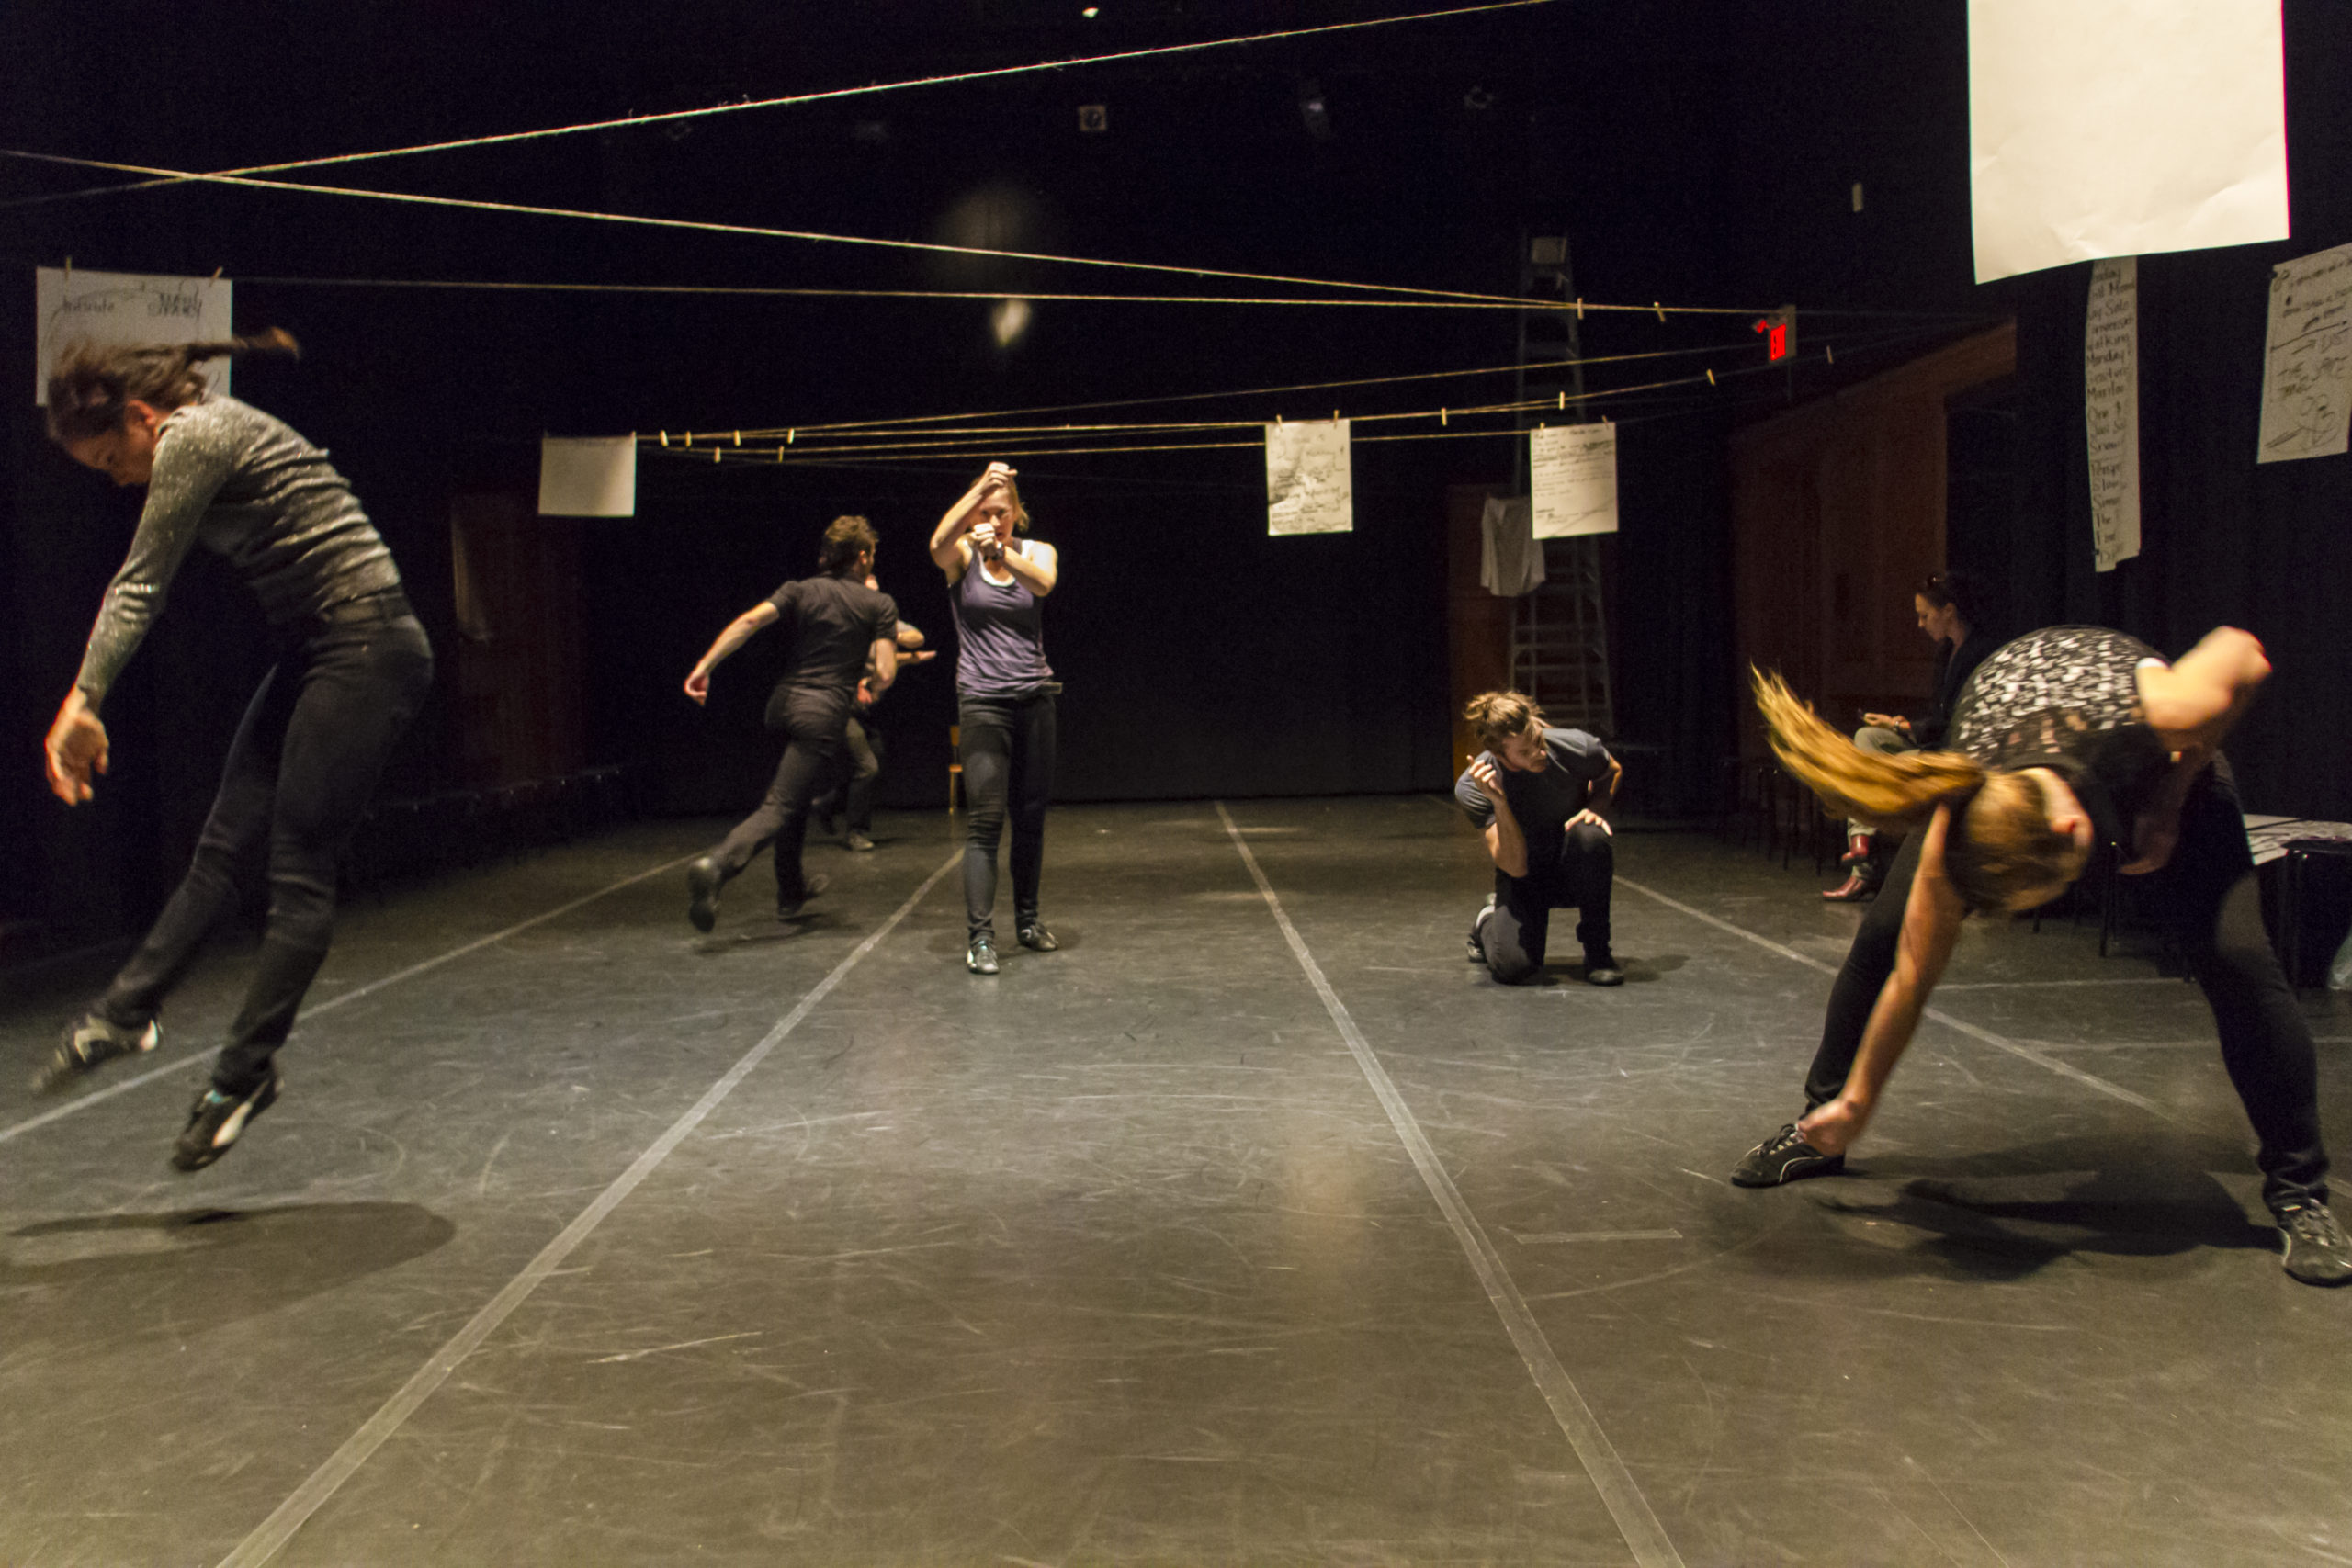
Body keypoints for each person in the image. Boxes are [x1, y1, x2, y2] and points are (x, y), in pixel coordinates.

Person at [1732, 626, 2350, 1287]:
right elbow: (1912, 978)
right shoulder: (1964, 807)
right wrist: (1856, 1101)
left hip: (2164, 760)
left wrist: (2172, 795)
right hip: (2019, 732)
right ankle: (1818, 1128)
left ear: (2072, 833)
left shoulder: (2163, 713)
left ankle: (2300, 1193)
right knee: (1883, 940)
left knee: (2238, 960)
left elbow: (2245, 650)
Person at [36, 331, 435, 1172]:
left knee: (297, 868)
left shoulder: (198, 435)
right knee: (220, 849)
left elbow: (142, 580)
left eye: (113, 457)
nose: (116, 477)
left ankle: (242, 1075)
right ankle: (125, 1011)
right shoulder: (199, 433)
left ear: (144, 419)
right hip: (318, 647)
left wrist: (84, 698)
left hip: (368, 645)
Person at [683, 516, 898, 931]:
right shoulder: (879, 604)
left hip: (780, 706)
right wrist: (867, 679)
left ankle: (791, 892)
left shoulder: (800, 589)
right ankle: (717, 867)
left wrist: (704, 666)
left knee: (791, 798)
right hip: (821, 713)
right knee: (780, 805)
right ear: (862, 557)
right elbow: (886, 673)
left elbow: (749, 622)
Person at [930, 461, 1058, 976]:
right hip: (983, 701)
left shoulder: (1035, 551)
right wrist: (977, 490)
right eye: (986, 512)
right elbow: (938, 542)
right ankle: (981, 938)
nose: (994, 520)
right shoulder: (962, 557)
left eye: (1001, 512)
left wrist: (1002, 549)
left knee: (1030, 819)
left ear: (1016, 514)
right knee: (985, 822)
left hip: (1035, 699)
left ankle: (1027, 922)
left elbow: (1045, 583)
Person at [1826, 570, 2000, 901]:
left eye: (1925, 616)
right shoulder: (1945, 652)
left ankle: (1863, 869)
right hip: (1933, 740)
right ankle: (1860, 844)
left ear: (1948, 611)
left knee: (1873, 770)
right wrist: (1898, 724)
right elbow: (1937, 717)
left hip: (1956, 752)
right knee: (1866, 739)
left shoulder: (1980, 653)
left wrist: (1903, 729)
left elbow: (1960, 724)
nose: (1920, 624)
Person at [1456, 690, 1624, 987]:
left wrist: (1595, 808)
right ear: (1499, 754)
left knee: (1591, 836)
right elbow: (1516, 867)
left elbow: (1610, 770)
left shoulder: (1576, 746)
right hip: (1524, 874)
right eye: (1524, 752)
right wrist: (1500, 803)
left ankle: (1598, 952)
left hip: (1570, 865)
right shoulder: (1473, 787)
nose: (1538, 753)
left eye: (1536, 739)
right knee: (1514, 968)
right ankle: (1487, 918)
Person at [814, 589, 935, 852]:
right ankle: (855, 832)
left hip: (863, 711)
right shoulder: (844, 624)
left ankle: (829, 803)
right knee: (867, 767)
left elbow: (917, 638)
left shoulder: (883, 622)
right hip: (840, 707)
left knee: (875, 762)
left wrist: (903, 650)